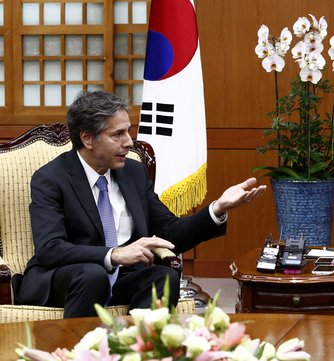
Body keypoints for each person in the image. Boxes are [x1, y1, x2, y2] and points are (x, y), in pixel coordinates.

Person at [15, 91, 267, 318]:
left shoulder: (133, 173)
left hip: (120, 278)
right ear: (87, 138)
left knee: (164, 277)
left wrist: (219, 207)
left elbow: (170, 234)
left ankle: (139, 349)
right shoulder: (51, 178)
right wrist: (113, 255)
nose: (128, 142)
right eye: (117, 134)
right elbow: (51, 248)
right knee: (93, 276)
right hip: (69, 278)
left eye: (128, 131)